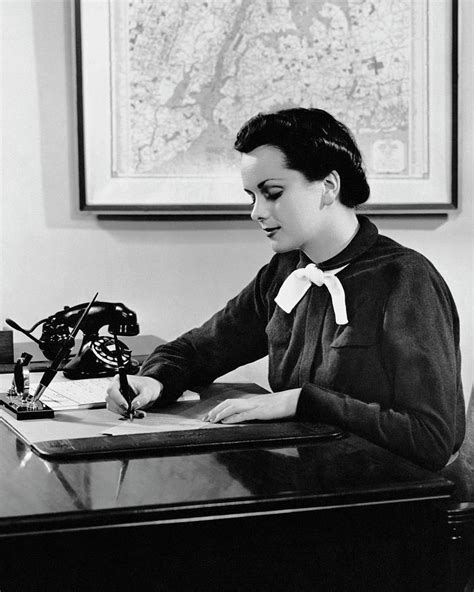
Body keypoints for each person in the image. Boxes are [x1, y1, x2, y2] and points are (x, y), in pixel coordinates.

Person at [106, 107, 465, 471]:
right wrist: (153, 381)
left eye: (272, 192)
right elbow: (197, 351)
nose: (256, 212)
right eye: (252, 197)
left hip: (392, 496)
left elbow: (430, 439)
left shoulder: (405, 279)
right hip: (308, 477)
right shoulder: (285, 271)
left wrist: (300, 401)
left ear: (328, 187)